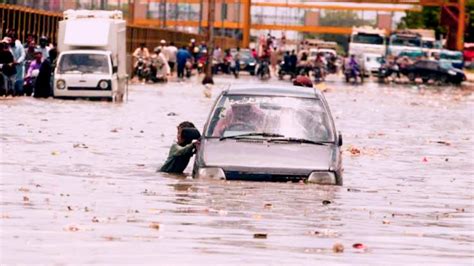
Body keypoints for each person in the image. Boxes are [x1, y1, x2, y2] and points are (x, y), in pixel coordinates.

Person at [8, 30, 26, 96]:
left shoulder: (20, 46)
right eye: (10, 37)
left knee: (19, 90)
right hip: (10, 68)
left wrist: (17, 61)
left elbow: (23, 55)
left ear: (15, 39)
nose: (11, 39)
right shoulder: (7, 46)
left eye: (12, 37)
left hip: (19, 68)